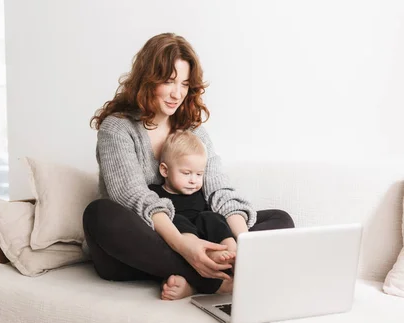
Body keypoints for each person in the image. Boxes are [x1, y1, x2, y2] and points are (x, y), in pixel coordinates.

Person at [83, 32, 294, 301]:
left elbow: (220, 191)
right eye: (169, 82)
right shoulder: (118, 128)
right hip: (143, 244)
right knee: (99, 214)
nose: (177, 94)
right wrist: (185, 246)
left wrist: (245, 246)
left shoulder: (193, 130)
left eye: (184, 84)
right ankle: (216, 281)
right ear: (147, 80)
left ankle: (201, 277)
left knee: (280, 219)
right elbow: (132, 196)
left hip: (199, 233)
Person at [148, 129, 238, 279]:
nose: (193, 180)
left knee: (212, 217)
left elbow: (217, 217)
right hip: (182, 246)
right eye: (186, 173)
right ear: (165, 170)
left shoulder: (202, 192)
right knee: (177, 219)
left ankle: (234, 254)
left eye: (199, 174)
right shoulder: (153, 194)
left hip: (207, 237)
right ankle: (206, 257)